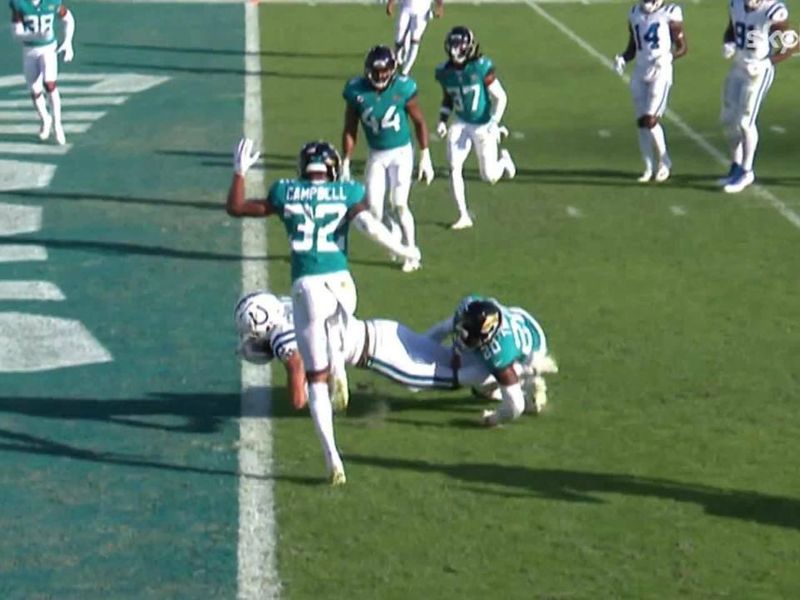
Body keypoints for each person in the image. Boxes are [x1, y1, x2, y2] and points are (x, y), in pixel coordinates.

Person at [226, 138, 420, 486]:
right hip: (340, 284)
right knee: (342, 316)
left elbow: (237, 208)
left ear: (302, 169)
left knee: (315, 381)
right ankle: (338, 357)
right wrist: (404, 249)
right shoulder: (346, 191)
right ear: (332, 169)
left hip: (306, 287)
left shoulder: (286, 191)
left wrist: (239, 172)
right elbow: (369, 228)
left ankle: (332, 456)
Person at [342, 45, 434, 273]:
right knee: (374, 211)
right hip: (376, 154)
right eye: (376, 72)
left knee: (399, 203)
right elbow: (350, 127)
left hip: (401, 152)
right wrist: (346, 160)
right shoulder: (357, 92)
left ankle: (411, 252)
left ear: (392, 70)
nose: (381, 76)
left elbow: (419, 121)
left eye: (385, 72)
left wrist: (425, 155)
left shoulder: (403, 88)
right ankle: (393, 233)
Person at [425, 295, 558, 427]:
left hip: (531, 351)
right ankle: (507, 385)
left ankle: (528, 379)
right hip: (518, 318)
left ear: (488, 336)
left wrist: (493, 419)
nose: (462, 339)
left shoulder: (500, 352)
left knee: (482, 381)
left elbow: (515, 407)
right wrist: (421, 347)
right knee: (472, 367)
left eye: (470, 337)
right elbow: (444, 328)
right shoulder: (471, 308)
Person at [435, 26, 516, 230]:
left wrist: (494, 123)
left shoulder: (480, 67)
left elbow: (501, 97)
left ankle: (504, 161)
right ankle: (463, 215)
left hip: (483, 124)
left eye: (459, 47)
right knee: (454, 167)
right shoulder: (445, 71)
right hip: (461, 122)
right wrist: (442, 120)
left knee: (489, 176)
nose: (455, 52)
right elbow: (448, 98)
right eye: (453, 47)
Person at [718, 0, 792, 193]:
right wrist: (729, 43)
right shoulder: (737, 5)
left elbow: (789, 47)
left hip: (758, 71)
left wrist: (767, 63)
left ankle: (746, 170)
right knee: (727, 119)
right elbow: (732, 30)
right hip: (738, 66)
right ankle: (735, 165)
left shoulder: (773, 12)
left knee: (745, 122)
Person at [613, 0, 687, 183]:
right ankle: (648, 167)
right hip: (640, 70)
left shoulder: (670, 12)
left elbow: (683, 47)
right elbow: (634, 46)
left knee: (650, 119)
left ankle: (664, 161)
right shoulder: (634, 13)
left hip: (660, 72)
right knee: (641, 122)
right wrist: (623, 58)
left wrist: (670, 56)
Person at [9, 0, 75, 145]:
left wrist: (68, 42)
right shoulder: (19, 3)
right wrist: (35, 36)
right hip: (30, 50)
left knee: (50, 83)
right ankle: (46, 119)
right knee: (34, 89)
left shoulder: (52, 2)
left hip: (48, 48)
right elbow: (16, 33)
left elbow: (68, 18)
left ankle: (57, 124)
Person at [386, 0, 443, 76]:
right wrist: (390, 3)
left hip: (422, 12)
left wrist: (439, 6)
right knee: (399, 37)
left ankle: (405, 71)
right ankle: (398, 61)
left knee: (415, 40)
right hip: (406, 7)